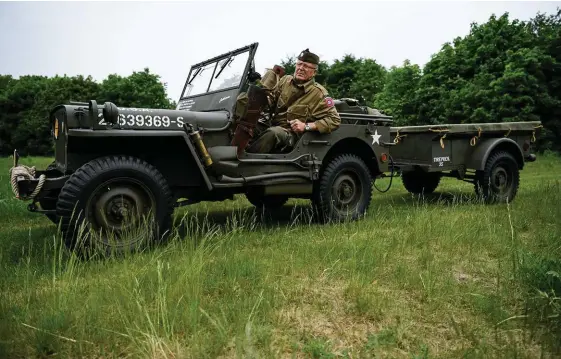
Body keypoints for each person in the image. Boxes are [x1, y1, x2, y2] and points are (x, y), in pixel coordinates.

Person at [244, 49, 341, 153]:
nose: (301, 68)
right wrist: (258, 84)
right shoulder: (285, 80)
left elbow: (335, 120)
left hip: (292, 135)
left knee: (272, 134)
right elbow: (270, 101)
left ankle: (246, 164)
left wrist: (306, 126)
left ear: (314, 72)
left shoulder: (319, 94)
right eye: (299, 64)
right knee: (244, 126)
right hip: (271, 124)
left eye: (306, 66)